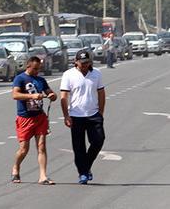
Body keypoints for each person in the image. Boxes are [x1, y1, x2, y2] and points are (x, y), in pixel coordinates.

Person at [60, 50, 106, 184]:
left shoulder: (96, 73)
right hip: (76, 115)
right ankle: (83, 173)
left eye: (87, 62)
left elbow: (101, 93)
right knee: (78, 146)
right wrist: (66, 116)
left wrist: (101, 112)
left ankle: (86, 165)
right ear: (76, 62)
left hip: (93, 114)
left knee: (98, 140)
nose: (85, 65)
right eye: (82, 63)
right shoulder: (68, 75)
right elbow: (64, 97)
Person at [11, 56, 57, 185]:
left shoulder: (41, 80)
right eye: (35, 69)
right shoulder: (20, 79)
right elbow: (15, 95)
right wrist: (32, 95)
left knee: (41, 147)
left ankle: (43, 176)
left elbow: (50, 93)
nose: (37, 71)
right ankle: (16, 168)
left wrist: (52, 95)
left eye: (39, 69)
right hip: (25, 118)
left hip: (40, 117)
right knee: (24, 149)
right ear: (28, 66)